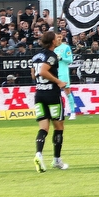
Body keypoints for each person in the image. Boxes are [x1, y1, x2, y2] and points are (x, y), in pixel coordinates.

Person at [31, 31, 69, 172]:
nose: (59, 39)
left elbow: (33, 75)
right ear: (52, 41)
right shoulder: (51, 56)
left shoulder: (36, 56)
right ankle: (56, 160)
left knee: (43, 128)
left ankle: (38, 154)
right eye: (56, 38)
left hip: (39, 94)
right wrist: (58, 82)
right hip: (52, 95)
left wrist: (42, 83)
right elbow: (43, 71)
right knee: (58, 127)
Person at [56, 36, 75, 120]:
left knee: (67, 92)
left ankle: (73, 112)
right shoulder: (52, 48)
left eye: (59, 37)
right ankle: (59, 113)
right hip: (54, 73)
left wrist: (61, 58)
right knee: (55, 94)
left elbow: (70, 60)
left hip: (63, 72)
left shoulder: (66, 47)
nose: (58, 39)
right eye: (57, 38)